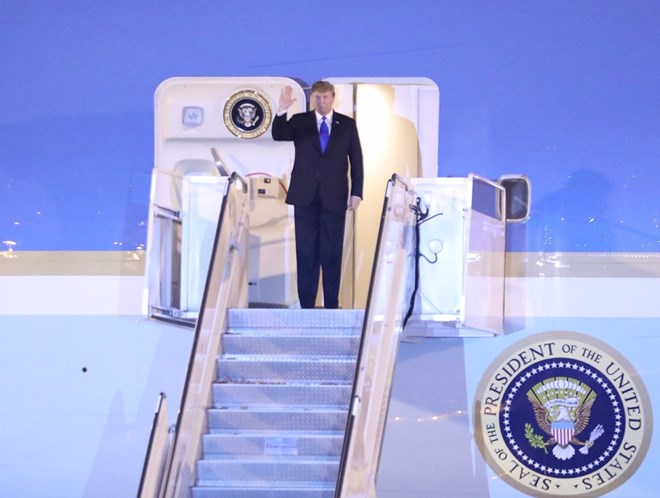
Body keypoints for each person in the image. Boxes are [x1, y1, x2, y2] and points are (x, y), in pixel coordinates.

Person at [272, 80, 364, 309]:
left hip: (334, 197)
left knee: (331, 253)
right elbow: (279, 134)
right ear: (313, 98)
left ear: (333, 97)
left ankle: (332, 306)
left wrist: (357, 192)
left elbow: (357, 160)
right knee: (306, 253)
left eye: (325, 97)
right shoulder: (301, 121)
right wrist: (281, 110)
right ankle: (307, 307)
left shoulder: (348, 125)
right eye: (317, 98)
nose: (321, 102)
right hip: (305, 196)